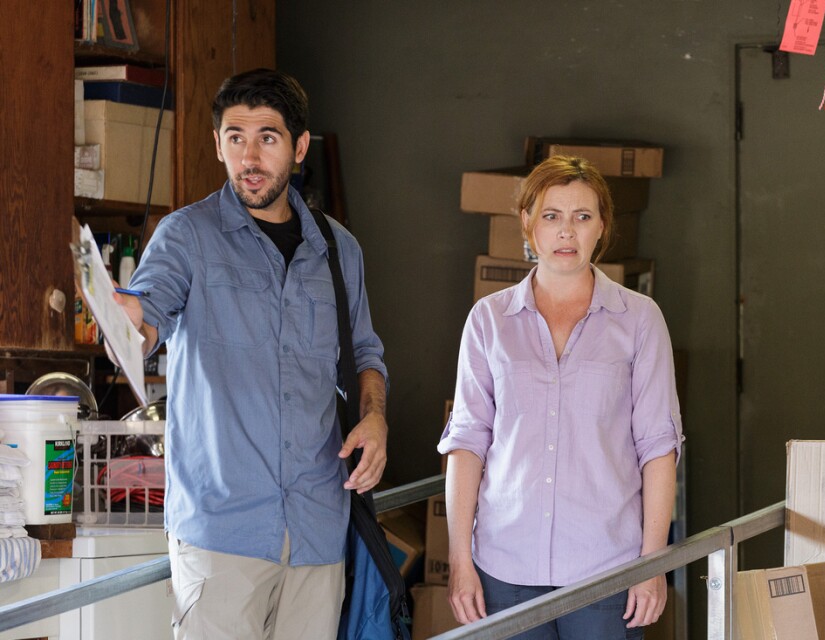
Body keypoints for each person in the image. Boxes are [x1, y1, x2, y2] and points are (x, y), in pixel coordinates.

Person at [111, 68, 389, 640]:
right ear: (218, 144)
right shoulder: (186, 236)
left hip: (317, 528)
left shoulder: (339, 249)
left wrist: (375, 416)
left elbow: (364, 353)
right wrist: (127, 318)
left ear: (300, 147)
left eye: (267, 137)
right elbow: (147, 318)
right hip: (222, 532)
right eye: (235, 137)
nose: (250, 157)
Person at [438, 156, 683, 639]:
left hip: (606, 571)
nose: (566, 231)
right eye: (551, 215)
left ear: (602, 226)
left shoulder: (639, 319)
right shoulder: (489, 320)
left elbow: (658, 446)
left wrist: (653, 564)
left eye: (582, 216)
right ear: (528, 223)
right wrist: (459, 559)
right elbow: (467, 442)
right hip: (504, 568)